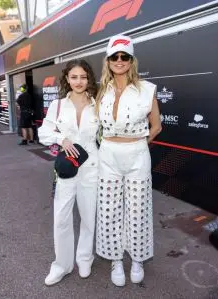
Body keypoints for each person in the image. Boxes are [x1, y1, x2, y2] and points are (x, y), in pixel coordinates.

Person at [95, 35, 162, 287]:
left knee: (138, 210)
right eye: (115, 56)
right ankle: (115, 260)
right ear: (108, 60)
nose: (119, 60)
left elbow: (156, 126)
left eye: (125, 56)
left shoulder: (147, 89)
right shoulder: (102, 89)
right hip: (108, 154)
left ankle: (136, 259)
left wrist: (138, 148)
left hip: (137, 153)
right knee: (109, 209)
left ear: (132, 60)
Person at [38, 59, 99, 286]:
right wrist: (60, 138)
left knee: (88, 216)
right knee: (62, 218)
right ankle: (62, 265)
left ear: (89, 78)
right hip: (67, 170)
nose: (79, 81)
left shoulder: (98, 103)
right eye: (74, 77)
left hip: (92, 167)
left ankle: (85, 258)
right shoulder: (59, 105)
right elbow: (44, 132)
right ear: (67, 79)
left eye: (83, 77)